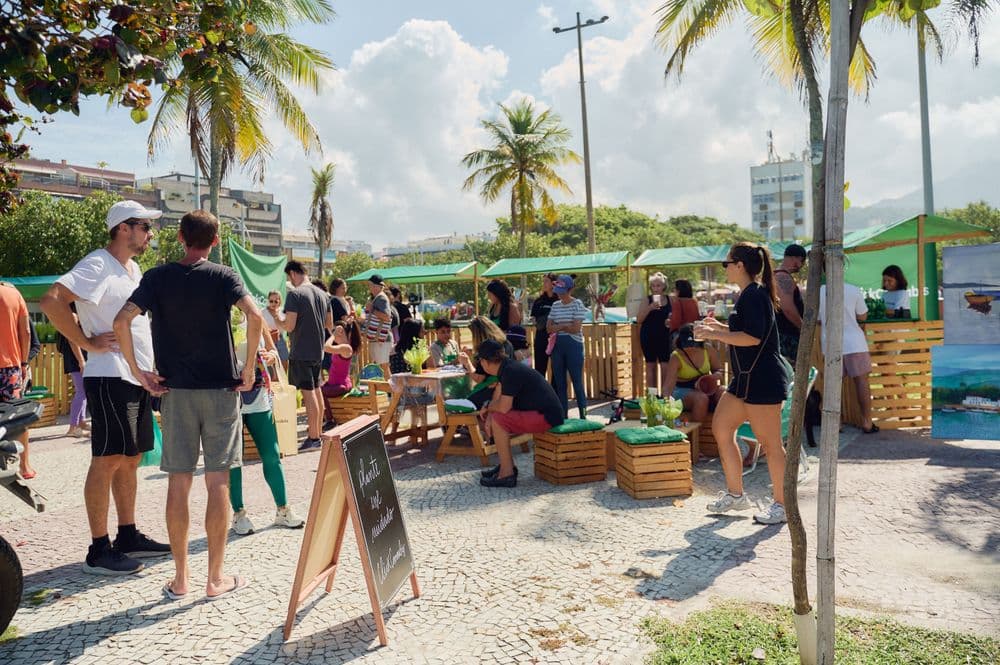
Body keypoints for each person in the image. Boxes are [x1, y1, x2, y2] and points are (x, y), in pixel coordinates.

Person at [115, 209, 262, 600]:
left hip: (174, 392)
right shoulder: (224, 276)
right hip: (220, 392)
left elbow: (121, 321)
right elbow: (256, 315)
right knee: (218, 483)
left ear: (181, 237)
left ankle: (181, 579)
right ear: (214, 241)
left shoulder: (157, 277)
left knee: (178, 484)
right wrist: (247, 369)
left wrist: (139, 371)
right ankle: (215, 580)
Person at [40, 199, 170, 575]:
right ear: (123, 228)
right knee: (108, 458)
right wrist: (85, 342)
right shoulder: (98, 263)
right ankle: (98, 550)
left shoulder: (132, 268)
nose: (149, 233)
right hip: (109, 373)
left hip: (135, 375)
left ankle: (127, 535)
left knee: (131, 458)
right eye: (144, 226)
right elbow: (52, 300)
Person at [695, 243, 790, 525]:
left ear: (739, 266)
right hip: (745, 380)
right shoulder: (748, 294)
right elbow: (742, 331)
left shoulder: (755, 295)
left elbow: (753, 338)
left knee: (771, 445)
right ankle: (736, 496)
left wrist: (719, 335)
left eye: (727, 263)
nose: (725, 268)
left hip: (763, 381)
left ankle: (782, 506)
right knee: (721, 429)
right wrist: (716, 329)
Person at [230, 312, 305, 535]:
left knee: (272, 453)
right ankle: (239, 513)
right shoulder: (219, 315)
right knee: (234, 458)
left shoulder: (256, 317)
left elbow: (273, 349)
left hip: (259, 394)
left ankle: (283, 509)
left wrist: (271, 356)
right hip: (229, 396)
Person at [478, 339, 565, 488]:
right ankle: (507, 466)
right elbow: (499, 398)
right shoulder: (507, 367)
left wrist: (488, 408)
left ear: (484, 362)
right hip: (545, 413)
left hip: (546, 416)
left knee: (499, 419)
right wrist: (489, 411)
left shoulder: (509, 371)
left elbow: (504, 407)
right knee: (496, 417)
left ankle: (507, 474)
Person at [277, 260, 333, 452]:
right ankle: (317, 435)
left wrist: (278, 320)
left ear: (292, 273)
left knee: (309, 395)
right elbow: (329, 323)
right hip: (318, 349)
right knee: (316, 391)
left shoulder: (295, 294)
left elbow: (289, 326)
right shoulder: (323, 294)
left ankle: (313, 437)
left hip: (301, 349)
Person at [819, 280, 879, 434]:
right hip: (854, 343)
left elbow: (818, 318)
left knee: (833, 385)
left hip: (830, 343)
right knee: (862, 382)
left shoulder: (819, 291)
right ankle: (867, 422)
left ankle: (835, 424)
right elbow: (863, 316)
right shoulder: (853, 289)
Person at [661, 324, 725, 423]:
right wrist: (666, 402)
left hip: (706, 387)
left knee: (724, 392)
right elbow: (668, 386)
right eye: (687, 345)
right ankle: (696, 434)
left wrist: (713, 377)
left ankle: (722, 429)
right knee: (701, 399)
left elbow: (719, 370)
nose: (690, 348)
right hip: (683, 389)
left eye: (693, 345)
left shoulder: (708, 349)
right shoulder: (676, 356)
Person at [0, 281, 32, 477]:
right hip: (10, 367)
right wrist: (24, 362)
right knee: (18, 417)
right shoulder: (13, 294)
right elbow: (26, 332)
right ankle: (25, 466)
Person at [548, 274, 589, 418]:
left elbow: (576, 328)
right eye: (558, 292)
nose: (560, 295)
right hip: (557, 346)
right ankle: (563, 416)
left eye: (563, 291)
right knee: (560, 384)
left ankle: (583, 416)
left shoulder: (577, 304)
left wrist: (559, 326)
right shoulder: (555, 305)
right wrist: (565, 325)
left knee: (577, 382)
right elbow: (548, 328)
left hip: (574, 346)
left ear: (570, 289)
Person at [56, 303, 89, 437]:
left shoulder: (70, 315)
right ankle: (73, 426)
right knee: (81, 391)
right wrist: (81, 361)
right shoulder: (72, 316)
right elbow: (72, 340)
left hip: (76, 358)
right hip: (76, 359)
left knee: (84, 391)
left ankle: (81, 422)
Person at [638, 272, 673, 396]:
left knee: (665, 366)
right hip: (649, 336)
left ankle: (664, 395)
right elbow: (639, 319)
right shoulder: (646, 300)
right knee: (650, 365)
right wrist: (650, 307)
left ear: (664, 286)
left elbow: (675, 317)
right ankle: (652, 396)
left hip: (665, 336)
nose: (656, 288)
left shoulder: (670, 299)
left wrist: (670, 320)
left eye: (658, 285)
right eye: (653, 286)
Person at [774, 243, 807, 364]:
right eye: (802, 261)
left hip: (781, 335)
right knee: (793, 377)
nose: (801, 265)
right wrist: (803, 329)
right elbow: (787, 309)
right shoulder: (783, 277)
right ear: (795, 258)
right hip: (787, 337)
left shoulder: (774, 275)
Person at [321, 325, 354, 428]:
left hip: (342, 385)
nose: (335, 335)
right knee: (317, 389)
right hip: (334, 384)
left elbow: (326, 347)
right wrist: (333, 334)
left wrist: (333, 336)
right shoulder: (340, 347)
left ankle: (330, 420)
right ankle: (323, 419)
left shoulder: (346, 347)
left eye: (339, 332)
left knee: (319, 392)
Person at [362, 274, 394, 378]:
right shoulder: (378, 298)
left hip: (382, 339)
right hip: (379, 338)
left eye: (370, 285)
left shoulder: (381, 298)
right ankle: (387, 391)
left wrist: (372, 309)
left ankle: (390, 391)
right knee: (381, 366)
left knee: (383, 366)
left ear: (376, 286)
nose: (369, 287)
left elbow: (387, 317)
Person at [530, 274, 559, 375]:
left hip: (556, 337)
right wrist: (534, 321)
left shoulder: (559, 300)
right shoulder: (539, 301)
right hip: (541, 337)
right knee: (540, 368)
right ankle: (540, 390)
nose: (544, 284)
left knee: (556, 368)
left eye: (546, 281)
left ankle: (555, 391)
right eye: (543, 281)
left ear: (553, 283)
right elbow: (533, 317)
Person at [263, 290, 289, 370]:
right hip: (267, 338)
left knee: (284, 358)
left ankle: (282, 379)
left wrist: (276, 316)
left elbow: (285, 327)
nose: (273, 303)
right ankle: (273, 379)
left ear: (280, 301)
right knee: (270, 361)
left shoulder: (283, 312)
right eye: (271, 301)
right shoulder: (263, 312)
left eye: (276, 301)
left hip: (280, 337)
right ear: (268, 301)